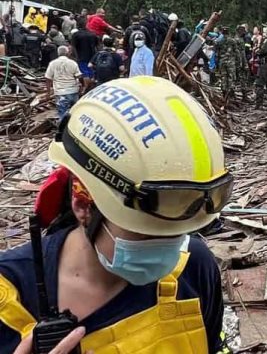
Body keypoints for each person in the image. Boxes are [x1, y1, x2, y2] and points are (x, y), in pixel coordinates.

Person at [0, 77, 233, 354]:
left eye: (178, 233)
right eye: (146, 231)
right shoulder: (9, 299)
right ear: (83, 203)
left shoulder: (194, 268)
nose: (169, 250)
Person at [44, 45, 85, 119]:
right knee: (74, 113)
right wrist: (83, 86)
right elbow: (79, 77)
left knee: (62, 114)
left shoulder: (52, 64)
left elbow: (48, 78)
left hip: (60, 93)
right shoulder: (72, 63)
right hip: (73, 91)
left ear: (58, 53)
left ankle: (63, 129)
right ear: (67, 53)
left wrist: (48, 92)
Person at [216, 26, 246, 104]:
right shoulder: (232, 41)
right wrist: (239, 63)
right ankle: (230, 96)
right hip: (231, 62)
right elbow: (237, 52)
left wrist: (217, 63)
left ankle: (224, 94)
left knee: (223, 78)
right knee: (231, 79)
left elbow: (216, 53)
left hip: (222, 61)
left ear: (222, 32)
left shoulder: (218, 41)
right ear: (228, 32)